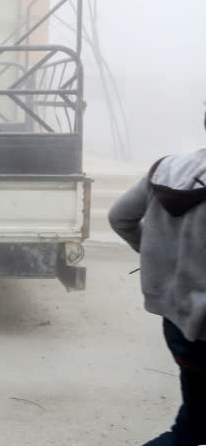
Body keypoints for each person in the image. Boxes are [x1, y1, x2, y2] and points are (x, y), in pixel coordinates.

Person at [108, 124, 206, 446]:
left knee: (191, 427)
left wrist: (158, 259)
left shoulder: (166, 168)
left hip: (177, 323)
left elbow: (119, 217)